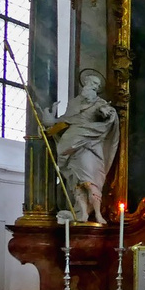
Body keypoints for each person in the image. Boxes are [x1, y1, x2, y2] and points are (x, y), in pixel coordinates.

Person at [50, 69, 119, 224]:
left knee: (92, 180)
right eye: (93, 83)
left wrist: (107, 113)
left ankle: (97, 214)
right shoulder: (74, 103)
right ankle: (83, 214)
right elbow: (65, 121)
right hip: (73, 145)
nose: (94, 86)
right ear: (86, 83)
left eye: (97, 85)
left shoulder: (100, 103)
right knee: (78, 182)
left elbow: (108, 115)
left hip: (92, 145)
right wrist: (51, 119)